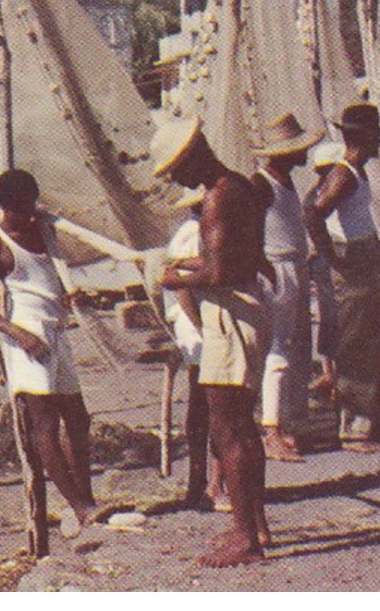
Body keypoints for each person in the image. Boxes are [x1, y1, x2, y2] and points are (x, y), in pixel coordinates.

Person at [150, 119, 271, 567]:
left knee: (229, 428)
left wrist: (172, 275)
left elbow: (220, 272)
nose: (176, 180)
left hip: (232, 311)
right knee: (241, 425)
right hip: (242, 307)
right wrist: (192, 264)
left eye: (176, 170)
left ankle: (246, 536)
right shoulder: (239, 187)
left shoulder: (219, 196)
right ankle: (253, 524)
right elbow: (236, 257)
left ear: (192, 157)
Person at [0, 169, 107, 536]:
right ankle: (80, 507)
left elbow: (51, 277)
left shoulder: (44, 230)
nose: (29, 214)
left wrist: (69, 295)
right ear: (5, 208)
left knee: (78, 419)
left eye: (31, 206)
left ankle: (85, 498)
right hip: (27, 336)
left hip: (57, 331)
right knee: (44, 425)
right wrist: (18, 334)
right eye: (21, 209)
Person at [303, 103, 380, 452]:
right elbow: (313, 211)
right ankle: (354, 427)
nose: (378, 143)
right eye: (375, 136)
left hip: (363, 254)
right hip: (354, 258)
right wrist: (331, 255)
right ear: (365, 137)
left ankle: (365, 421)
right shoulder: (343, 174)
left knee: (371, 339)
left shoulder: (351, 171)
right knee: (358, 343)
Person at [251, 112, 323, 462]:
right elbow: (249, 228)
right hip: (276, 268)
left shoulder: (286, 182)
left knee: (295, 349)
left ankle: (288, 421)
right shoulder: (261, 184)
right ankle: (271, 430)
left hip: (294, 266)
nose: (304, 154)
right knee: (276, 350)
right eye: (299, 149)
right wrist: (265, 268)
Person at [161, 185, 220, 510]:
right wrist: (202, 328)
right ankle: (201, 482)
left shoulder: (211, 228)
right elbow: (181, 286)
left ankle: (211, 482)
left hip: (207, 319)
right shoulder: (190, 232)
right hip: (194, 322)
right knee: (203, 402)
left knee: (215, 405)